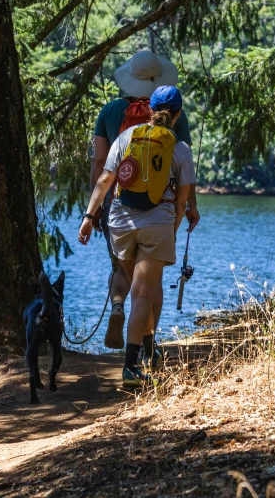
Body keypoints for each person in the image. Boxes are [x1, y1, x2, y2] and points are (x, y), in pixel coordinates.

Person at [79, 85, 196, 387]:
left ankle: (149, 352)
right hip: (157, 223)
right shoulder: (180, 149)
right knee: (143, 294)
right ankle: (132, 366)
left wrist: (89, 217)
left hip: (119, 221)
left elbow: (106, 178)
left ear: (148, 110)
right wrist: (171, 229)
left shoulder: (126, 137)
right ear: (178, 114)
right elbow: (182, 201)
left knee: (129, 283)